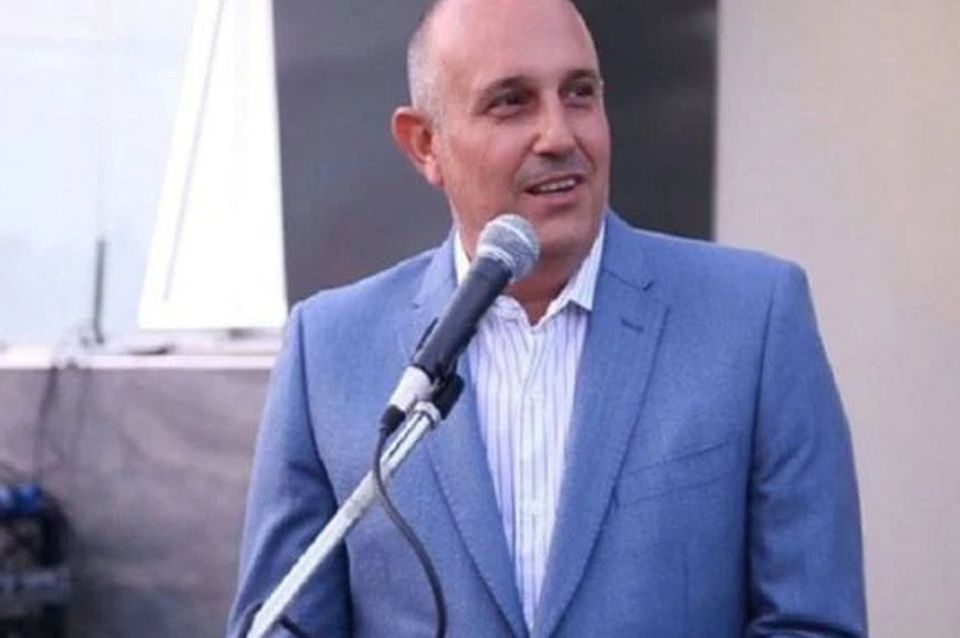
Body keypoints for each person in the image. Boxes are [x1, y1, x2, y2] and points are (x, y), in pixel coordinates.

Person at [228, 0, 867, 635]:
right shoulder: (329, 350)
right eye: (512, 102)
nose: (560, 136)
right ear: (425, 144)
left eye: (579, 93)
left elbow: (812, 623)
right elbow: (280, 624)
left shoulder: (754, 319)